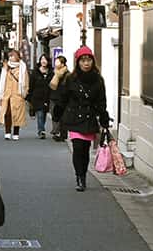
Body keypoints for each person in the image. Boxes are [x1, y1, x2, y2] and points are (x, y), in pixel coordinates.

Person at [52, 46, 110, 191]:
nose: (86, 63)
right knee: (77, 148)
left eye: (88, 60)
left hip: (89, 117)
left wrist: (104, 119)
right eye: (83, 60)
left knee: (85, 149)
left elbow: (101, 101)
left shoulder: (98, 80)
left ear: (93, 61)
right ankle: (79, 177)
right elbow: (63, 98)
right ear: (78, 62)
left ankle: (83, 174)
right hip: (74, 117)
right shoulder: (71, 79)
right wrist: (57, 114)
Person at [0, 48, 29, 140]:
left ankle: (16, 133)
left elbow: (25, 82)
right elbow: (2, 81)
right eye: (9, 56)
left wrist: (24, 93)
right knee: (7, 113)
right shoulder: (5, 68)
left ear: (17, 57)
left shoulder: (22, 68)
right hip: (7, 94)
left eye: (12, 56)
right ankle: (7, 132)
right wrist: (1, 94)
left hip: (17, 94)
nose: (10, 58)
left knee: (17, 114)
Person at [27, 54, 55, 139]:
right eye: (42, 59)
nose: (43, 61)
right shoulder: (35, 72)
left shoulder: (51, 72)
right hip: (37, 97)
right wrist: (29, 96)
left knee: (44, 114)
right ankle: (41, 131)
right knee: (40, 114)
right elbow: (31, 85)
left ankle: (41, 128)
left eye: (45, 59)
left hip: (47, 97)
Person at [48, 55, 70, 141]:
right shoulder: (54, 72)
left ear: (63, 64)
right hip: (54, 97)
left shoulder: (67, 74)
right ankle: (57, 131)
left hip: (63, 98)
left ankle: (62, 134)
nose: (56, 63)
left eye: (58, 62)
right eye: (55, 61)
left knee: (63, 117)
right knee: (55, 115)